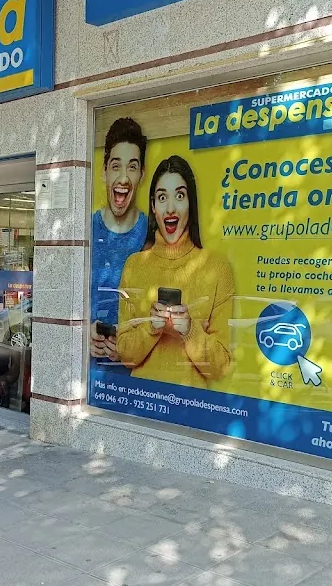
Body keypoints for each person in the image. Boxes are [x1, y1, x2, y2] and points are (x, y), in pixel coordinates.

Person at [117, 155, 234, 389]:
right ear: (153, 206)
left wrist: (191, 332)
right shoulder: (134, 265)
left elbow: (221, 367)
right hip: (142, 401)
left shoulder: (217, 267)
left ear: (191, 203)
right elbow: (125, 355)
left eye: (179, 196)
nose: (170, 208)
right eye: (162, 197)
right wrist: (151, 328)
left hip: (191, 405)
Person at [90, 117, 148, 372]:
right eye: (116, 166)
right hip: (87, 376)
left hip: (134, 380)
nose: (123, 178)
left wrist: (130, 346)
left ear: (142, 174)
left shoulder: (153, 233)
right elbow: (63, 295)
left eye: (132, 167)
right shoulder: (83, 232)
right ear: (104, 172)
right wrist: (83, 332)